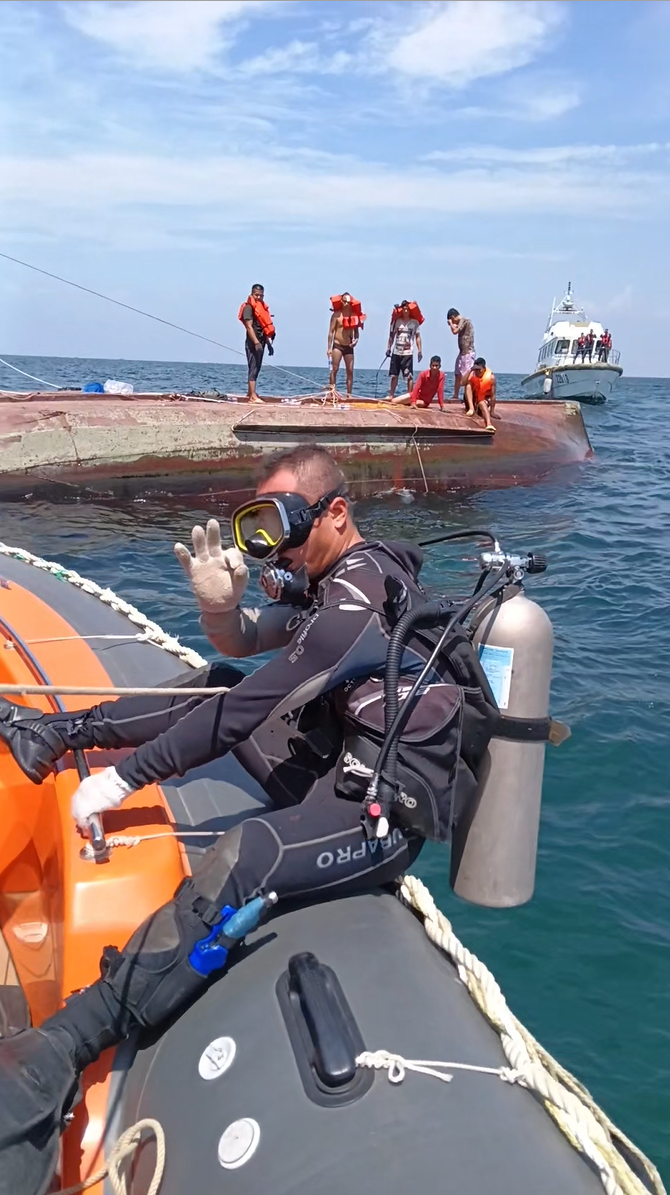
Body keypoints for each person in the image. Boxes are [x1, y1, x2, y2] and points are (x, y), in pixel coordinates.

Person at [0, 444, 496, 1194]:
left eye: (283, 526)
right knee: (212, 681)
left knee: (247, 853)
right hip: (331, 755)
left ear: (335, 513)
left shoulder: (355, 604)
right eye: (257, 527)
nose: (275, 547)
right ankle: (55, 733)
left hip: (380, 807)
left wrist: (124, 780)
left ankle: (71, 1040)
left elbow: (248, 714)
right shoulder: (322, 579)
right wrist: (219, 605)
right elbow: (240, 655)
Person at [239, 284, 275, 402]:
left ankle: (251, 393)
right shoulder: (249, 308)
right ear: (252, 294)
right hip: (252, 341)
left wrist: (268, 345)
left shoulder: (261, 308)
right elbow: (249, 327)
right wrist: (256, 343)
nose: (259, 297)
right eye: (256, 295)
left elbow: (264, 329)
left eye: (261, 295)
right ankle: (253, 397)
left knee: (257, 367)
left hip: (262, 341)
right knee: (253, 367)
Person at [327, 293, 365, 397]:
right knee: (335, 369)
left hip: (349, 346)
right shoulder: (336, 315)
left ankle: (349, 394)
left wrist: (356, 340)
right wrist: (329, 348)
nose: (346, 304)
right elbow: (331, 332)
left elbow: (356, 332)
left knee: (350, 370)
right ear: (341, 302)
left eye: (348, 302)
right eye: (344, 301)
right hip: (337, 345)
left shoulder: (354, 315)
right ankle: (332, 392)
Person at [386, 299, 423, 398]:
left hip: (408, 353)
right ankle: (391, 395)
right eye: (404, 309)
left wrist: (419, 351)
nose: (405, 311)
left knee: (409, 376)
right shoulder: (396, 322)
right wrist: (388, 348)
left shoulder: (414, 323)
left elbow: (417, 337)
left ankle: (410, 396)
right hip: (396, 351)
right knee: (394, 375)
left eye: (407, 309)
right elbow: (391, 336)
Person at [446, 308, 475, 403]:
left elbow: (455, 331)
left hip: (468, 352)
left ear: (453, 317)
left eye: (452, 319)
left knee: (467, 376)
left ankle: (468, 397)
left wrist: (451, 324)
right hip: (462, 352)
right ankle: (456, 395)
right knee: (458, 373)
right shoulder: (460, 322)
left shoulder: (464, 320)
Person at [464, 357, 496, 432]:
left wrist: (492, 411)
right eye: (476, 370)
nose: (477, 372)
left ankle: (489, 424)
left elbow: (493, 395)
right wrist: (470, 370)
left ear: (484, 368)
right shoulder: (472, 374)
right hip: (472, 400)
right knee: (468, 384)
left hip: (483, 400)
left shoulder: (491, 378)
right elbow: (462, 383)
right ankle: (471, 408)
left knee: (482, 403)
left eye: (479, 370)